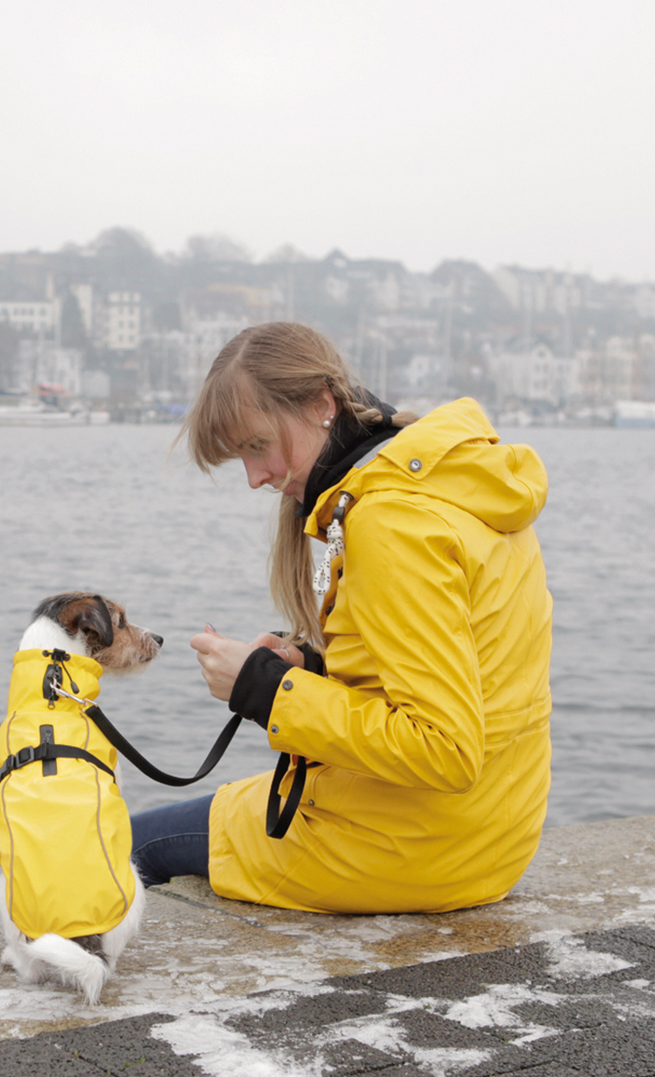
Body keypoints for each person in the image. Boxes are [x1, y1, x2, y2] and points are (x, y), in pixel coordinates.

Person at [130, 322, 552, 914]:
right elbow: (454, 667)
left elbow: (446, 750)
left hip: (407, 846)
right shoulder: (450, 485)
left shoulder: (389, 523)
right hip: (490, 836)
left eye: (256, 445)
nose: (255, 477)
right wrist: (313, 666)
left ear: (322, 406)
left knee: (121, 843)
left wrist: (267, 690)